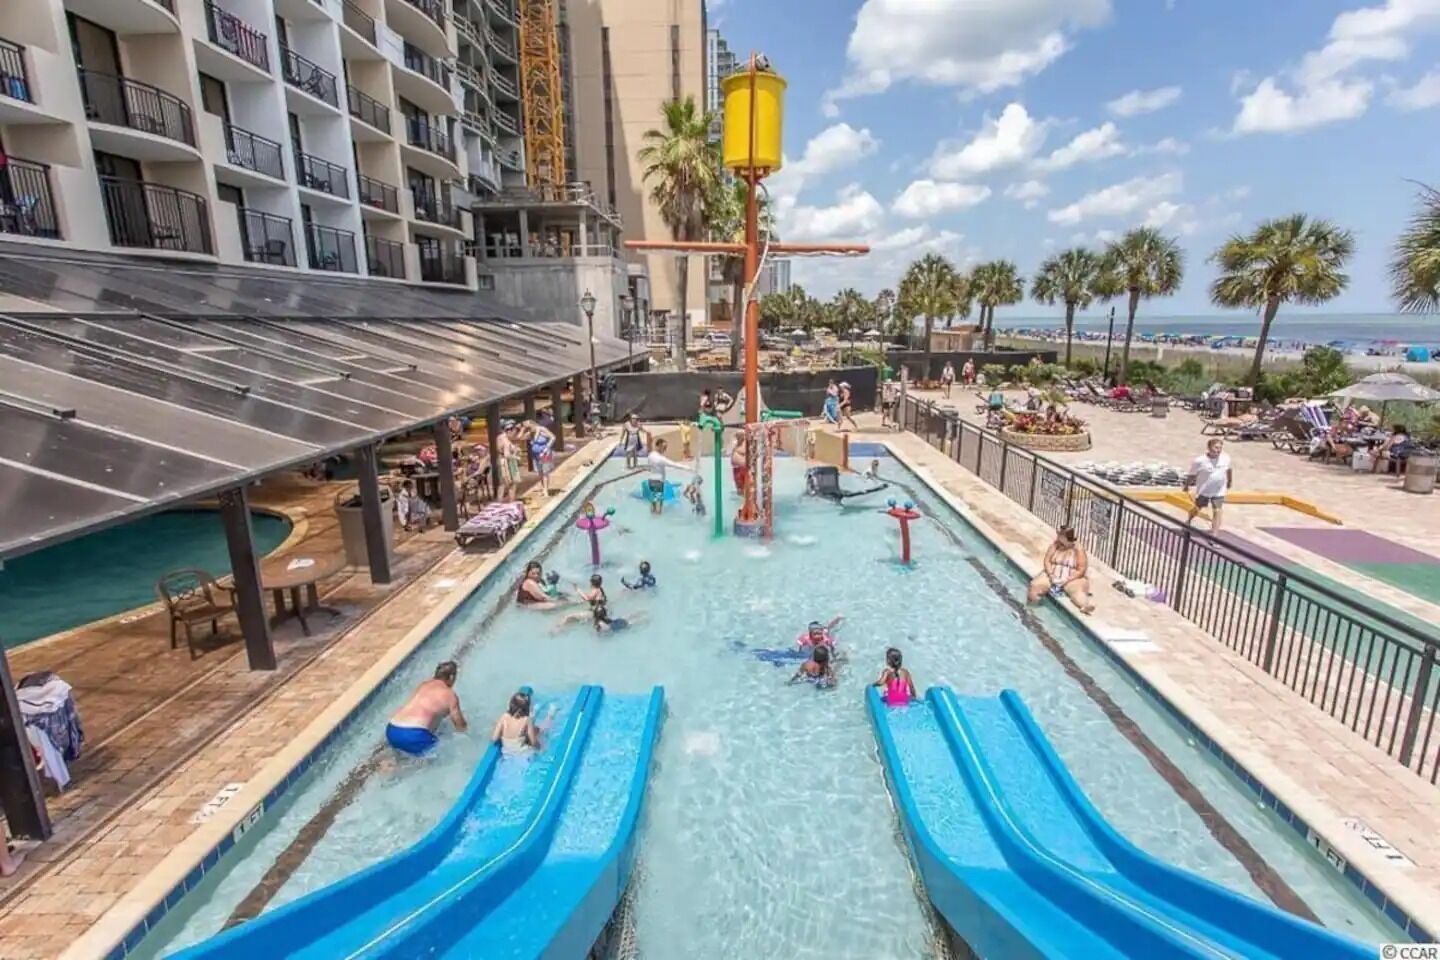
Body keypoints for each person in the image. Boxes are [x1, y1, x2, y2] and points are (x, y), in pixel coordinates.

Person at [386, 662, 467, 756]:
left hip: (392, 729)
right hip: (414, 735)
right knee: (441, 757)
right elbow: (460, 726)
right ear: (452, 677)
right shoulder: (450, 695)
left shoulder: (423, 685)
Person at [1026, 526, 1096, 614]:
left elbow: (1081, 569)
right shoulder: (1055, 546)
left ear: (1065, 537)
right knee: (1035, 585)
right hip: (1054, 573)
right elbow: (1047, 560)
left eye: (1059, 535)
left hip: (1072, 577)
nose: (1057, 536)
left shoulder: (1078, 549)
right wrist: (1051, 575)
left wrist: (1067, 579)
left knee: (1077, 591)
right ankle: (1031, 608)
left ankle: (1085, 605)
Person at [1184, 437, 1233, 533]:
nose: (1218, 450)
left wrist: (1229, 481)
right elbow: (1192, 475)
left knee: (1217, 510)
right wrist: (1187, 485)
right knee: (1198, 507)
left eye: (1220, 448)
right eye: (1216, 448)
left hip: (1219, 490)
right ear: (1209, 448)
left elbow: (1229, 470)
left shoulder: (1225, 458)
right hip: (1204, 490)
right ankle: (1189, 520)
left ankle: (1214, 535)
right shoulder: (1200, 461)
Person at [491, 687, 553, 756]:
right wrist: (541, 749)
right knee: (540, 729)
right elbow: (533, 742)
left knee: (531, 730)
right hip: (522, 753)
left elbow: (494, 738)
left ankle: (542, 713)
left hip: (507, 752)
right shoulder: (527, 720)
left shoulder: (504, 717)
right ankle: (551, 715)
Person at [645, 438, 694, 515]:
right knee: (659, 502)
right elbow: (674, 464)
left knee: (653, 500)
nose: (665, 450)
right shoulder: (661, 458)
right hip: (659, 481)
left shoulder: (650, 455)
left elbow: (651, 467)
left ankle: (652, 516)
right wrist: (688, 468)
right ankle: (658, 518)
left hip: (651, 480)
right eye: (664, 447)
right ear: (658, 446)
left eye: (666, 448)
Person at [524, 421, 557, 497]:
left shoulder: (542, 429)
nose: (529, 429)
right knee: (540, 472)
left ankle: (546, 490)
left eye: (530, 427)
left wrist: (547, 447)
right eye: (528, 428)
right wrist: (523, 429)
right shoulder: (530, 433)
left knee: (545, 472)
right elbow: (520, 437)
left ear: (533, 424)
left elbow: (553, 437)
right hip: (536, 455)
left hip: (544, 453)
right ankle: (543, 488)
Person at [496, 421, 522, 501]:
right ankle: (512, 502)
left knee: (502, 484)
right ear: (509, 430)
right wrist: (517, 457)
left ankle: (499, 503)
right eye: (514, 431)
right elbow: (507, 455)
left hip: (501, 461)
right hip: (508, 463)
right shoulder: (506, 442)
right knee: (512, 484)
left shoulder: (500, 437)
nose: (515, 434)